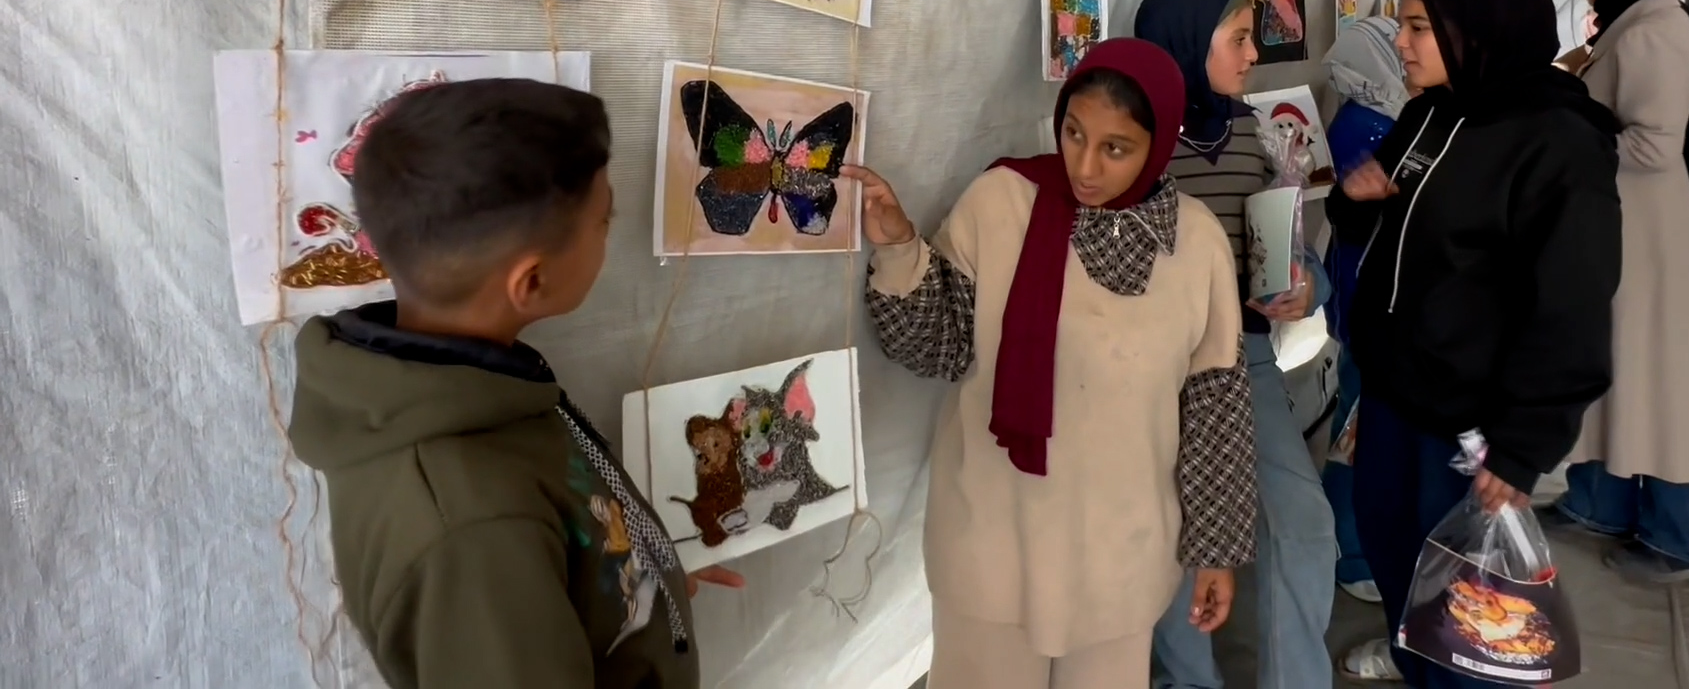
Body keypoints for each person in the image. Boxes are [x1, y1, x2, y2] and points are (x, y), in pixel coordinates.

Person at [288, 79, 741, 689]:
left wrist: (647, 595)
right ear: (531, 282)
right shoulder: (470, 529)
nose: (610, 231)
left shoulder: (476, 387)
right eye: (603, 220)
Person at [851, 38, 1257, 689]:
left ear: (1156, 147)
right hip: (992, 544)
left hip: (1119, 558)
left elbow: (1216, 412)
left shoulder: (1198, 242)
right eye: (1073, 133)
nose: (1085, 167)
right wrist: (900, 249)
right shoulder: (1001, 203)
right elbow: (937, 346)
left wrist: (1217, 550)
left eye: (1115, 148)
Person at [1328, 0, 1622, 684]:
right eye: (1402, 26)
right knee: (1393, 547)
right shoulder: (1430, 112)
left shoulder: (1556, 138)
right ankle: (1412, 659)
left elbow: (1573, 302)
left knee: (1469, 597)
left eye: (1418, 28)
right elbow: (1377, 215)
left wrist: (1524, 444)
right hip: (1395, 391)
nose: (1401, 43)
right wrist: (1352, 201)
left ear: (1479, 33)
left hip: (1470, 418)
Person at [1133, 0, 1336, 689]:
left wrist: (1306, 287)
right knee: (1172, 529)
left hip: (1242, 360)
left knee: (1302, 521)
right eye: (1239, 39)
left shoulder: (1261, 133)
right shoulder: (1135, 139)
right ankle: (1188, 680)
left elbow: (1291, 249)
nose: (1253, 55)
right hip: (1152, 367)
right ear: (1187, 43)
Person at [1554, 0, 1689, 583]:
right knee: (1615, 366)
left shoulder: (1654, 33)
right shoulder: (1636, 26)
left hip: (1643, 233)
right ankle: (1600, 502)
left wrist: (1560, 125)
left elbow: (1653, 148)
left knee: (1657, 379)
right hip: (1622, 225)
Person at [1320, 15, 1410, 605]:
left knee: (1365, 419)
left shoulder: (1394, 115)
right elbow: (1366, 216)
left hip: (1376, 291)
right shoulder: (1369, 123)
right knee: (1359, 424)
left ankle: (1358, 543)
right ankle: (1351, 551)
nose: (1406, 49)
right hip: (1370, 292)